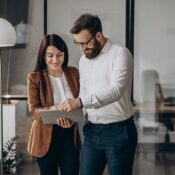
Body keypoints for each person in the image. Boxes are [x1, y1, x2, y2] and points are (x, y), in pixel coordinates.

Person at [58, 14, 138, 175]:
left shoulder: (120, 54)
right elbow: (84, 93)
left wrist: (79, 102)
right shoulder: (83, 60)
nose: (82, 48)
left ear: (99, 35)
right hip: (92, 132)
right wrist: (73, 116)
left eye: (85, 43)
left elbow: (116, 91)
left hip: (119, 131)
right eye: (78, 43)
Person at [27, 34, 81, 175]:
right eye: (50, 55)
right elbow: (33, 111)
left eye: (59, 55)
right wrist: (53, 110)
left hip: (70, 135)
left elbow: (82, 101)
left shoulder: (74, 73)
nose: (55, 60)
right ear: (43, 56)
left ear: (65, 54)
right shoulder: (34, 78)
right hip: (45, 137)